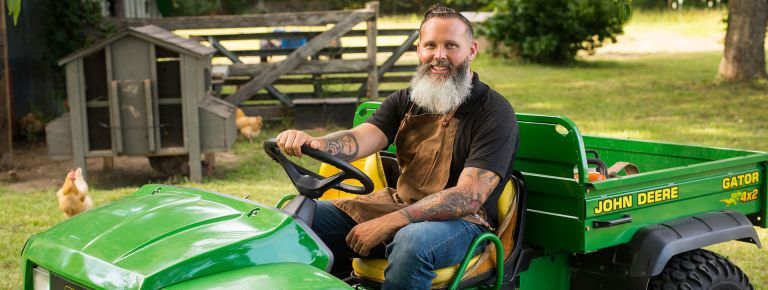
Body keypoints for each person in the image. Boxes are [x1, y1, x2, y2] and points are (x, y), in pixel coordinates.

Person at [276, 4, 518, 289]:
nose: (439, 56)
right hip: (398, 204)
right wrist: (313, 142)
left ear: (472, 50)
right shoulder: (406, 100)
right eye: (431, 45)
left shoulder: (494, 111)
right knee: (295, 220)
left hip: (463, 223)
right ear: (419, 49)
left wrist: (390, 222)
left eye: (451, 45)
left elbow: (468, 196)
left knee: (411, 242)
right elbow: (360, 138)